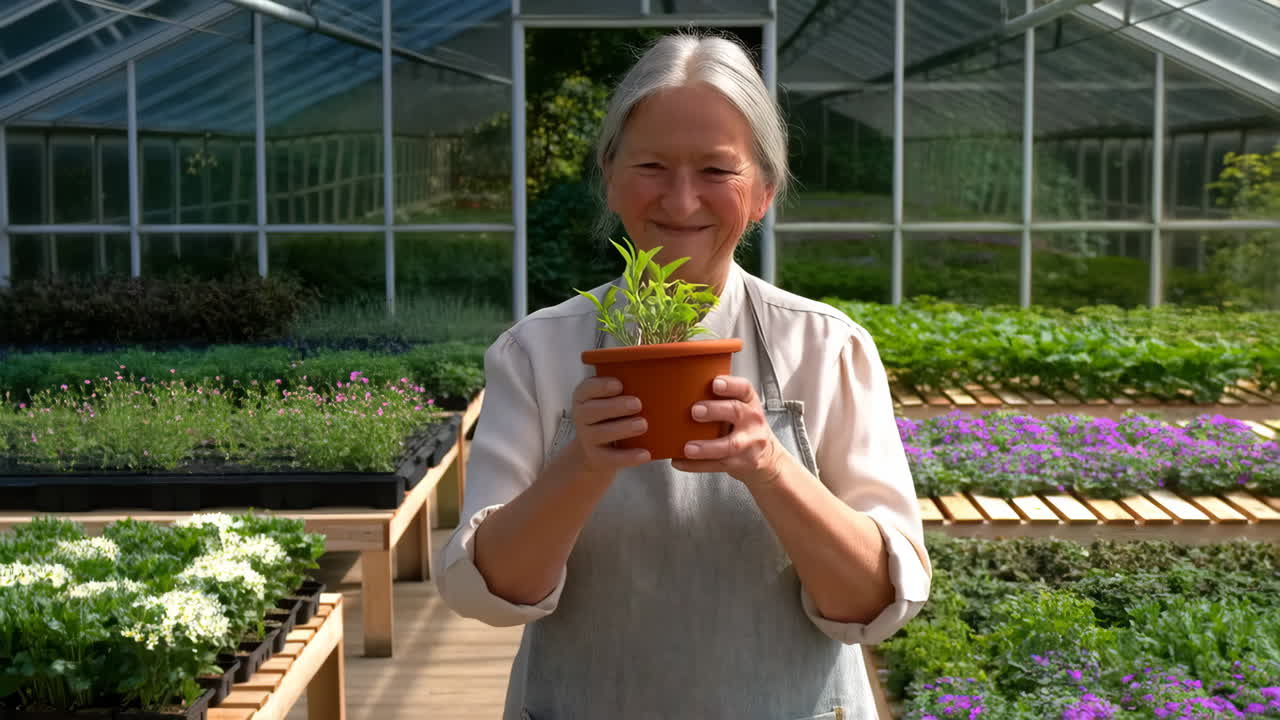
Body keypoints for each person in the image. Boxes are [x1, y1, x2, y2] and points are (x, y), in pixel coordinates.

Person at [437, 32, 931, 720]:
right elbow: (481, 592)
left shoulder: (825, 348)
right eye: (651, 166)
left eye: (717, 171)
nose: (681, 199)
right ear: (609, 177)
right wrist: (580, 462)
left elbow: (876, 601)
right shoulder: (538, 352)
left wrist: (769, 466)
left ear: (762, 192)